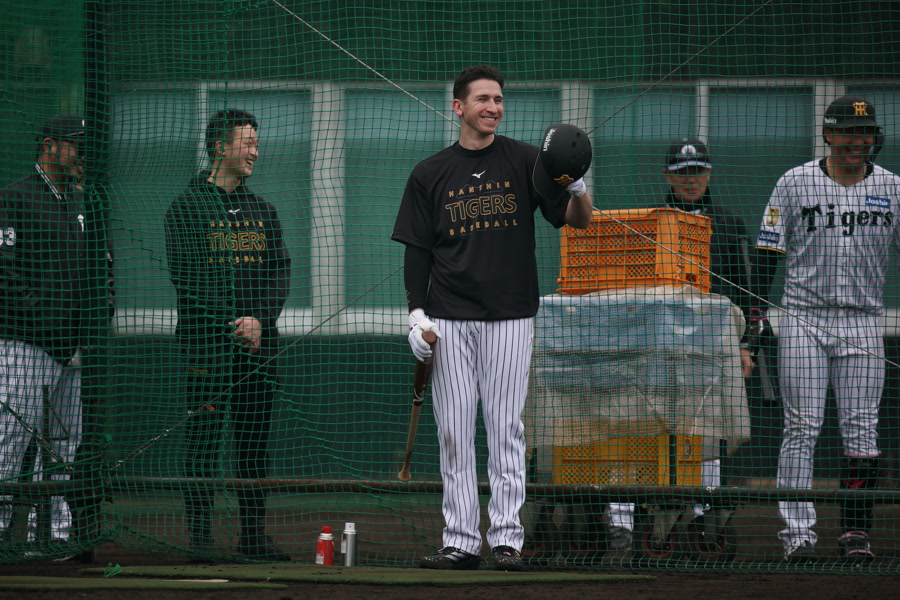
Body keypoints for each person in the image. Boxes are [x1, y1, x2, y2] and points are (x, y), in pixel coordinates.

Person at [391, 65, 593, 571]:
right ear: (458, 107)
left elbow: (578, 221)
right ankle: (460, 541)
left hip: (510, 317)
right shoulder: (429, 172)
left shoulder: (527, 160)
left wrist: (577, 187)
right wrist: (416, 315)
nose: (493, 107)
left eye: (499, 99)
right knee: (454, 433)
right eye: (483, 99)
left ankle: (506, 540)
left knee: (505, 431)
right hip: (448, 319)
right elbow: (417, 251)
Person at [754, 95, 899, 563]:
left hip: (863, 321)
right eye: (849, 132)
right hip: (803, 319)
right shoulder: (794, 181)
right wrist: (755, 313)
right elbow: (767, 251)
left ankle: (855, 531)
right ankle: (798, 535)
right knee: (801, 427)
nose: (858, 141)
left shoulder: (893, 187)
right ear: (829, 134)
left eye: (866, 132)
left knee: (862, 430)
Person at [606, 138, 755, 551]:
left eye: (698, 172)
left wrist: (747, 345)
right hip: (654, 348)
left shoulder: (728, 224)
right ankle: (628, 518)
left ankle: (704, 516)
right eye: (683, 173)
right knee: (641, 427)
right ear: (667, 175)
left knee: (707, 431)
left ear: (709, 173)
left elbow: (744, 291)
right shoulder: (648, 221)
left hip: (710, 348)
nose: (691, 180)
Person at [165, 108, 292, 562]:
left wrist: (258, 320)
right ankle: (201, 541)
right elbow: (187, 275)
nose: (256, 151)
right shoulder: (187, 206)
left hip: (259, 348)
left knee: (253, 445)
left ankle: (252, 537)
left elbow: (280, 270)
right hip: (207, 348)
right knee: (202, 443)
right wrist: (232, 322)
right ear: (220, 147)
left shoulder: (263, 210)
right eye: (247, 143)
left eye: (257, 142)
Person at [0, 115, 88, 556]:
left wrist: (92, 321)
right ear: (50, 146)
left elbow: (105, 269)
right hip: (25, 344)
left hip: (75, 348)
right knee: (10, 440)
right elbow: (4, 275)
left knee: (64, 447)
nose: (83, 154)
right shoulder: (14, 197)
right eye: (76, 145)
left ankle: (52, 534)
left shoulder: (84, 201)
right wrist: (50, 321)